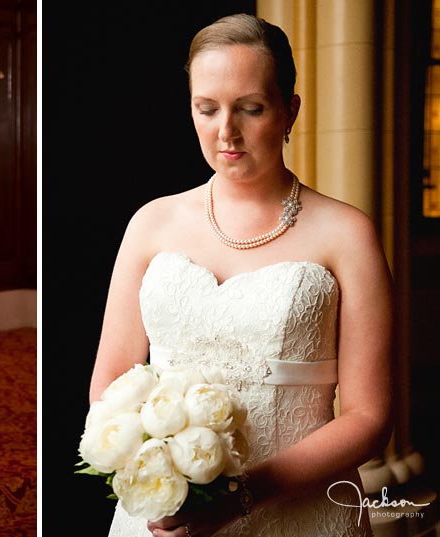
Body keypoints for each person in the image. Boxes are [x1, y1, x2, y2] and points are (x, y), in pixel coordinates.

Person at [88, 13, 393, 537]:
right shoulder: (151, 223)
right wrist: (154, 476)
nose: (225, 131)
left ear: (289, 110)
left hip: (302, 514)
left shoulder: (347, 234)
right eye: (206, 109)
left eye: (250, 109)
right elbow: (112, 380)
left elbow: (369, 418)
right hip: (167, 516)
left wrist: (242, 495)